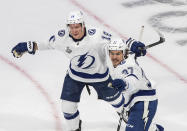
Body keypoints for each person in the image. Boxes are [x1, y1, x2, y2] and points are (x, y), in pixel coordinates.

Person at [11, 10, 147, 131]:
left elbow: (117, 41)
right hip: (75, 76)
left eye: (77, 26)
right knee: (67, 109)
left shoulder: (97, 35)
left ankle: (123, 112)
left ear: (83, 25)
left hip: (100, 76)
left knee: (118, 102)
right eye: (71, 27)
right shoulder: (62, 37)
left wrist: (133, 44)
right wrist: (27, 47)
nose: (74, 30)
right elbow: (46, 43)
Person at [107, 38, 164, 131]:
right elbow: (124, 41)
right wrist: (133, 44)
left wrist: (125, 84)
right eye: (112, 53)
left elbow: (133, 80)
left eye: (117, 54)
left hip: (143, 101)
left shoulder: (128, 66)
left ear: (123, 53)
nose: (114, 57)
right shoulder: (125, 55)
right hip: (132, 102)